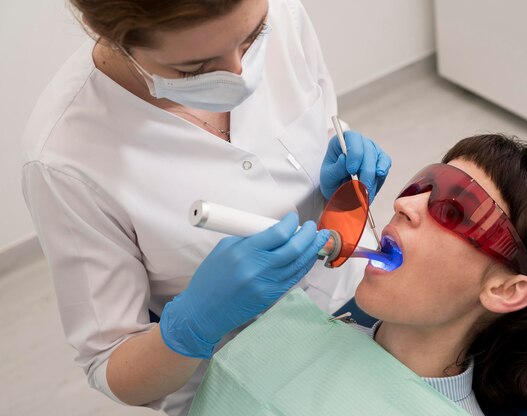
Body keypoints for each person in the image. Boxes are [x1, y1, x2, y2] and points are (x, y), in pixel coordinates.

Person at [21, 0, 390, 414]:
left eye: (253, 39)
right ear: (110, 34)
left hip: (360, 295)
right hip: (246, 379)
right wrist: (194, 324)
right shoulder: (66, 158)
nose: (241, 74)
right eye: (194, 68)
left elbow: (322, 120)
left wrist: (339, 165)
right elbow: (111, 365)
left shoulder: (279, 12)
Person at [353, 134, 527, 414]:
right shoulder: (314, 321)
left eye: (452, 210)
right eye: (421, 186)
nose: (404, 205)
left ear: (505, 290)